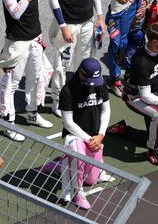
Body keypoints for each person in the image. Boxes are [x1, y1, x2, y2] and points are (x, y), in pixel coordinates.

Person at [107, 23, 158, 166]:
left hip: (155, 92)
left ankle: (123, 130)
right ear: (155, 42)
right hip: (135, 96)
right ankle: (153, 152)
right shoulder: (141, 61)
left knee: (156, 134)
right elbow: (145, 96)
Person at [47, 0, 105, 117]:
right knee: (61, 65)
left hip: (88, 21)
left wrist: (99, 16)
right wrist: (63, 27)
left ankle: (80, 94)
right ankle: (57, 101)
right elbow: (53, 0)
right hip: (68, 25)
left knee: (85, 61)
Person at [0, 0, 53, 141]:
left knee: (37, 77)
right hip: (17, 41)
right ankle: (8, 123)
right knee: (11, 83)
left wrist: (37, 36)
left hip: (34, 37)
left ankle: (32, 113)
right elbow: (15, 13)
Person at [57, 58, 110, 210]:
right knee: (78, 155)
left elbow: (106, 110)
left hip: (95, 136)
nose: (93, 84)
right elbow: (68, 123)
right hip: (75, 135)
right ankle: (76, 193)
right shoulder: (68, 90)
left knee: (91, 180)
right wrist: (88, 139)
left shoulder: (100, 84)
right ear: (81, 73)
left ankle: (59, 164)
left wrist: (100, 135)